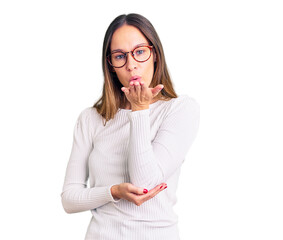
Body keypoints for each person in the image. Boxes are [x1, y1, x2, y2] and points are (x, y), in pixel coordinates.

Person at [61, 13, 200, 240]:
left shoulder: (180, 110)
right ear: (111, 64)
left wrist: (139, 110)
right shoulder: (91, 118)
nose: (131, 65)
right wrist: (113, 192)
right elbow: (69, 198)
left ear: (154, 54)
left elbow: (143, 182)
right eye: (119, 56)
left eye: (140, 52)